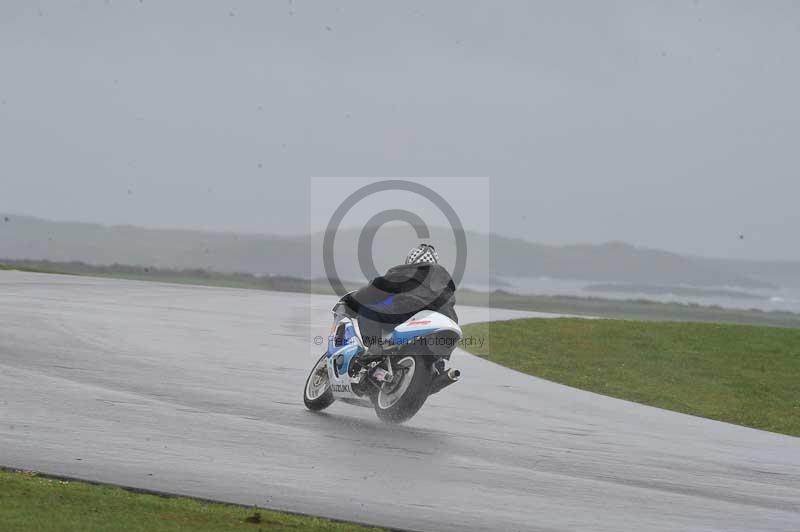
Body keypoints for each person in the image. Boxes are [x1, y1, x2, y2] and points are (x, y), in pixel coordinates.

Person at [343, 243, 457, 351]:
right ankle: (438, 365)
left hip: (409, 311)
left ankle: (374, 349)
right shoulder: (445, 282)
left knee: (368, 311)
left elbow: (376, 289)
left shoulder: (409, 271)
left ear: (412, 261)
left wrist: (353, 300)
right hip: (442, 321)